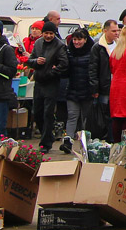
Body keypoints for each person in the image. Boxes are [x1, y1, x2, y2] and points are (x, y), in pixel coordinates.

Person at [28, 22, 68, 152]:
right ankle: (48, 136)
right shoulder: (38, 43)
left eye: (51, 33)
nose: (48, 36)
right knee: (37, 112)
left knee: (48, 113)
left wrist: (51, 73)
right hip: (39, 82)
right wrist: (36, 62)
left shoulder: (60, 45)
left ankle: (45, 143)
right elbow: (31, 60)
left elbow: (64, 64)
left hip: (51, 83)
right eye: (46, 33)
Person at [61, 28, 100, 152]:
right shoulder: (68, 51)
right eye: (74, 39)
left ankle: (86, 143)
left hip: (87, 90)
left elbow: (95, 71)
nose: (76, 42)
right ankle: (68, 141)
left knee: (86, 118)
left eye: (79, 39)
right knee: (72, 115)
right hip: (73, 88)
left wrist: (94, 88)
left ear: (85, 39)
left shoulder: (93, 51)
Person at [92, 20, 118, 140]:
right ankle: (106, 138)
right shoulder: (98, 47)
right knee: (104, 114)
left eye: (117, 30)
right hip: (104, 87)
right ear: (105, 31)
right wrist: (95, 88)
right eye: (113, 31)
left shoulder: (119, 46)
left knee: (115, 115)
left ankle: (113, 138)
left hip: (117, 86)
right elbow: (93, 69)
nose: (116, 33)